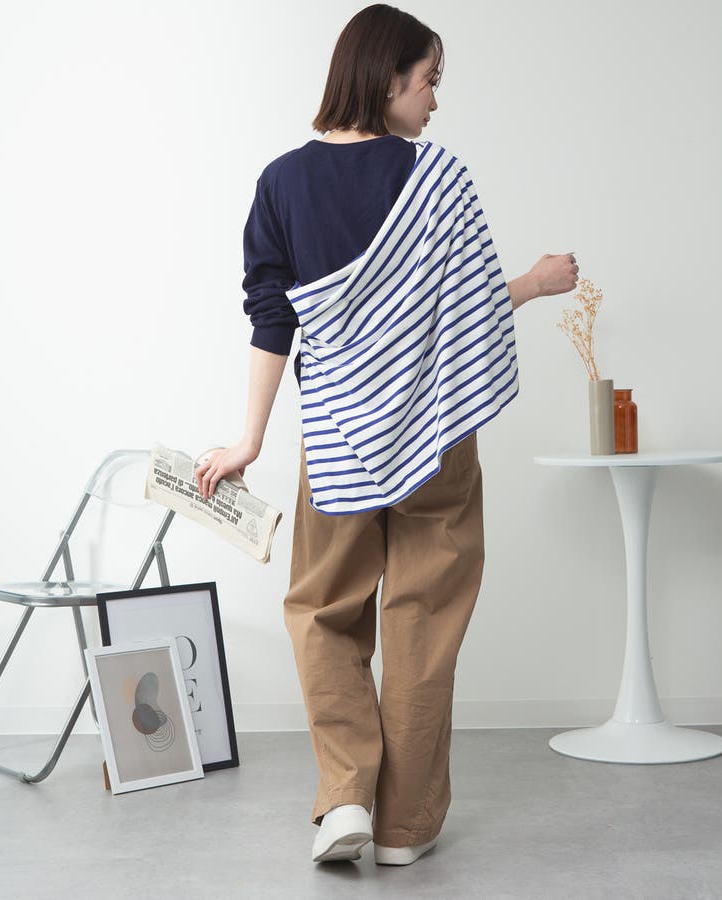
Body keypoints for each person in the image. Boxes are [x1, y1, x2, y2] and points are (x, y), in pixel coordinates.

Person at [194, 3, 578, 866]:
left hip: (337, 442)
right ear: (386, 77)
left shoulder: (281, 183)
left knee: (323, 612)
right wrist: (532, 282)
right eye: (428, 80)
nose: (435, 100)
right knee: (423, 620)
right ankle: (405, 829)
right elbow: (465, 310)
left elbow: (272, 322)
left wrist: (250, 441)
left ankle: (345, 801)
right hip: (436, 436)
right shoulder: (439, 178)